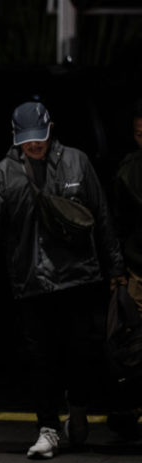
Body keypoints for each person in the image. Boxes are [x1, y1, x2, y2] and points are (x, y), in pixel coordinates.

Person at [0, 101, 125, 459]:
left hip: (80, 277)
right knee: (40, 359)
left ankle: (78, 409)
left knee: (82, 352)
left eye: (39, 137)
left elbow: (102, 217)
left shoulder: (76, 162)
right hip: (31, 282)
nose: (34, 144)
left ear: (51, 129)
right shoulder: (3, 174)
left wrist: (115, 268)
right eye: (27, 139)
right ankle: (48, 428)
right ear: (14, 135)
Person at [109, 97, 142, 439]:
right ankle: (131, 407)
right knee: (133, 344)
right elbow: (117, 223)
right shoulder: (128, 170)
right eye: (138, 134)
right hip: (138, 269)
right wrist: (118, 270)